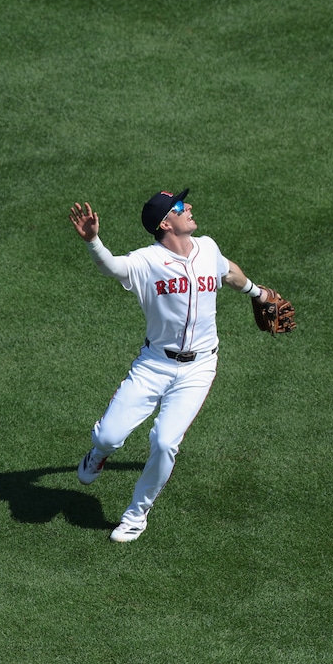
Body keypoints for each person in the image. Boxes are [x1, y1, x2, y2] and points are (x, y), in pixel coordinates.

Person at [68, 189, 272, 543]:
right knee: (108, 436)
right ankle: (99, 453)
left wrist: (257, 292)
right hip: (154, 365)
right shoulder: (147, 261)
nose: (189, 206)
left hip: (199, 369)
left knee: (164, 443)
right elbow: (112, 266)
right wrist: (93, 241)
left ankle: (136, 514)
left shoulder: (207, 247)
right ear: (166, 223)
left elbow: (227, 273)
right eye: (180, 206)